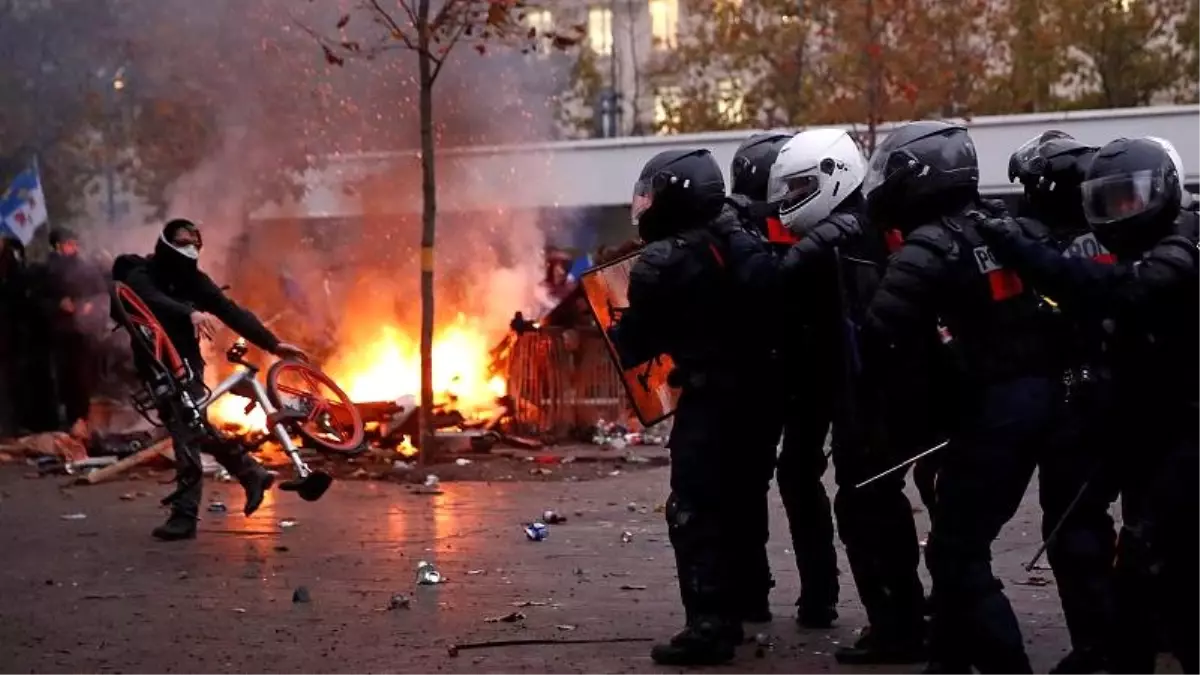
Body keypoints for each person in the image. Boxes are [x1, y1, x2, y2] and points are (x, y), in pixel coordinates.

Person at [976, 136, 1200, 674]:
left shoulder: (1179, 250)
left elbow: (1115, 292)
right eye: (1110, 200)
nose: (1121, 212)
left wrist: (1020, 251)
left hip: (1189, 432)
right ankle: (1114, 651)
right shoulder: (1142, 252)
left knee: (1159, 558)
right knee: (1128, 556)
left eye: (1132, 199)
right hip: (1148, 423)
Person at [862, 121, 1060, 675]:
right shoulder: (1003, 227)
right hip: (1032, 402)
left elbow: (882, 331)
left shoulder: (930, 243)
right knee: (955, 541)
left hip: (992, 413)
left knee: (957, 553)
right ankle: (947, 664)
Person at [728, 127, 928, 662]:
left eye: (796, 189)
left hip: (856, 389)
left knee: (865, 504)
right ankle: (897, 618)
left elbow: (775, 286)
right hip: (840, 384)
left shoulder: (839, 236)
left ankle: (897, 623)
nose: (788, 203)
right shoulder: (856, 228)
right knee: (849, 496)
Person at [606, 148, 777, 665]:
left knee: (694, 510)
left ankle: (709, 627)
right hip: (761, 396)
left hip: (709, 400)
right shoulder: (741, 237)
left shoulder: (662, 260)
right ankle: (750, 599)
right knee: (744, 499)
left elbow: (638, 343)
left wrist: (619, 330)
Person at [112, 219, 308, 541]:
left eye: (196, 243)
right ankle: (251, 473)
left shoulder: (196, 281)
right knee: (192, 428)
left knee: (185, 431)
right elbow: (148, 298)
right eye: (184, 241)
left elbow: (230, 311)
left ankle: (185, 516)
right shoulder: (141, 273)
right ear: (166, 242)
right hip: (154, 364)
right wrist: (187, 313)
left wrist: (272, 344)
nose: (191, 248)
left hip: (186, 364)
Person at [1007, 130, 1120, 675]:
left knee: (1075, 526)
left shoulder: (1065, 252)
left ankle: (1099, 646)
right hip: (1131, 399)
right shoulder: (1119, 236)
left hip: (1086, 402)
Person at [727, 129, 842, 627]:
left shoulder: (748, 234)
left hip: (772, 372)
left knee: (756, 480)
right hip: (806, 371)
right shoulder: (817, 226)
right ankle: (818, 595)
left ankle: (760, 592)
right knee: (796, 480)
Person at [39, 228, 108, 436]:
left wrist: (90, 305)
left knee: (83, 378)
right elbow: (35, 300)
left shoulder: (86, 268)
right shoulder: (45, 271)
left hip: (84, 332)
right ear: (58, 246)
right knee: (64, 378)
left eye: (75, 243)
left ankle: (83, 419)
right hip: (59, 333)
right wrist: (57, 304)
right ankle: (69, 421)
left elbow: (102, 293)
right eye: (69, 243)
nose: (74, 247)